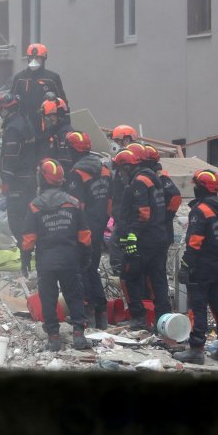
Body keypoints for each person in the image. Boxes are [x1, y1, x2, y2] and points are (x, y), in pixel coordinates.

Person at [20, 158, 91, 352]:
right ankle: (79, 335)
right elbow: (84, 235)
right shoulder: (74, 203)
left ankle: (53, 338)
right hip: (70, 259)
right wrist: (86, 256)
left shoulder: (35, 206)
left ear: (42, 179)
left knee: (48, 299)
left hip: (46, 261)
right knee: (75, 297)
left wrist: (25, 259)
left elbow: (28, 238)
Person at [173, 170, 218, 365]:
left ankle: (196, 349)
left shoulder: (200, 211)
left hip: (201, 268)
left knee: (197, 308)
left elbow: (194, 243)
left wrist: (185, 266)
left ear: (200, 187)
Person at [112, 143, 171, 331]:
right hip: (159, 237)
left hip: (144, 240)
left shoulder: (139, 182)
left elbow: (143, 213)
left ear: (128, 167)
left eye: (121, 170)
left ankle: (137, 317)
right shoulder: (154, 179)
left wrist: (131, 236)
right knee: (157, 279)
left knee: (129, 276)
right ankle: (164, 319)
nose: (120, 175)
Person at [63, 131, 112, 329]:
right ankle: (101, 313)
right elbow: (110, 203)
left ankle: (88, 312)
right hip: (100, 227)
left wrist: (74, 230)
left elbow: (77, 206)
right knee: (92, 269)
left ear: (72, 150)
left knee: (81, 270)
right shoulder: (105, 170)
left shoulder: (77, 173)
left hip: (84, 230)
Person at [0, 91, 36, 248]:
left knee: (16, 217)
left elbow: (10, 157)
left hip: (18, 180)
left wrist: (6, 180)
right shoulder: (24, 122)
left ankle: (26, 251)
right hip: (29, 177)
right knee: (28, 215)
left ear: (5, 108)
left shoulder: (12, 128)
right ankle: (30, 249)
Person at [10, 43, 67, 134]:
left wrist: (65, 125)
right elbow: (11, 103)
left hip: (47, 126)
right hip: (24, 127)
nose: (34, 61)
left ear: (43, 59)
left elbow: (63, 104)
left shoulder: (52, 78)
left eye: (37, 58)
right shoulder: (19, 78)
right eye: (31, 58)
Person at [144, 144, 182, 248]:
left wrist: (165, 216)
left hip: (160, 230)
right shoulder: (152, 176)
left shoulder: (160, 177)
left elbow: (176, 197)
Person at [37, 97, 76, 172]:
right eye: (45, 117)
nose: (46, 120)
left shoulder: (65, 135)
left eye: (49, 116)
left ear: (59, 116)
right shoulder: (55, 133)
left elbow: (65, 164)